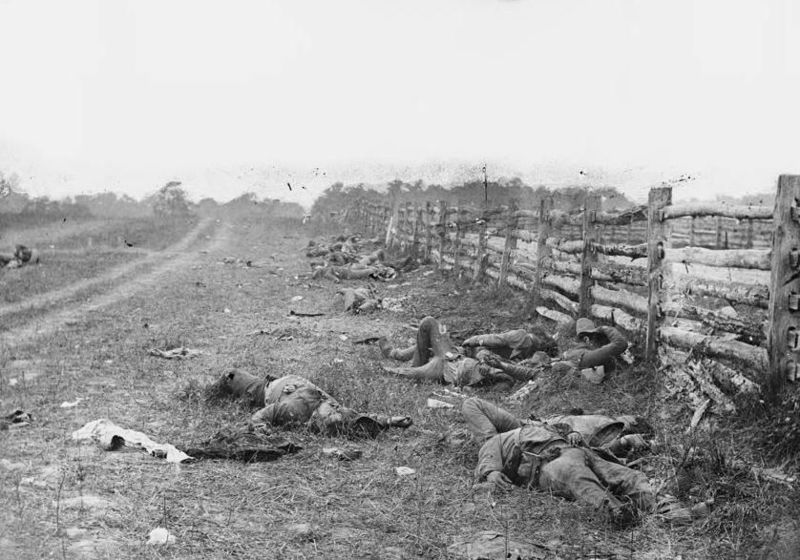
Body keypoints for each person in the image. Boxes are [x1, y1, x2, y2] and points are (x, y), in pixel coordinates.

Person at [462, 396, 656, 525]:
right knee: (575, 477)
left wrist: (571, 434)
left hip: (575, 449)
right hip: (546, 460)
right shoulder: (495, 441)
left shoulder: (519, 431)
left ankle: (660, 505)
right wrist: (491, 471)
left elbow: (599, 450)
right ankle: (617, 512)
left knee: (626, 475)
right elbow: (488, 448)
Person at [215, 369, 412, 437]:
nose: (335, 411)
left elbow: (356, 418)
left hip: (292, 383)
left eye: (334, 413)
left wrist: (389, 421)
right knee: (229, 376)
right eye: (334, 412)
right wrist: (262, 428)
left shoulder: (331, 408)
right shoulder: (295, 409)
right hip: (265, 389)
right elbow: (259, 416)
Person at [378, 316, 515, 387]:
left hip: (450, 364)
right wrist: (477, 346)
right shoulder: (518, 351)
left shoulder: (513, 365)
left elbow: (504, 379)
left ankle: (398, 356)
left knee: (429, 323)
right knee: (431, 326)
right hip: (456, 354)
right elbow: (484, 347)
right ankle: (397, 354)